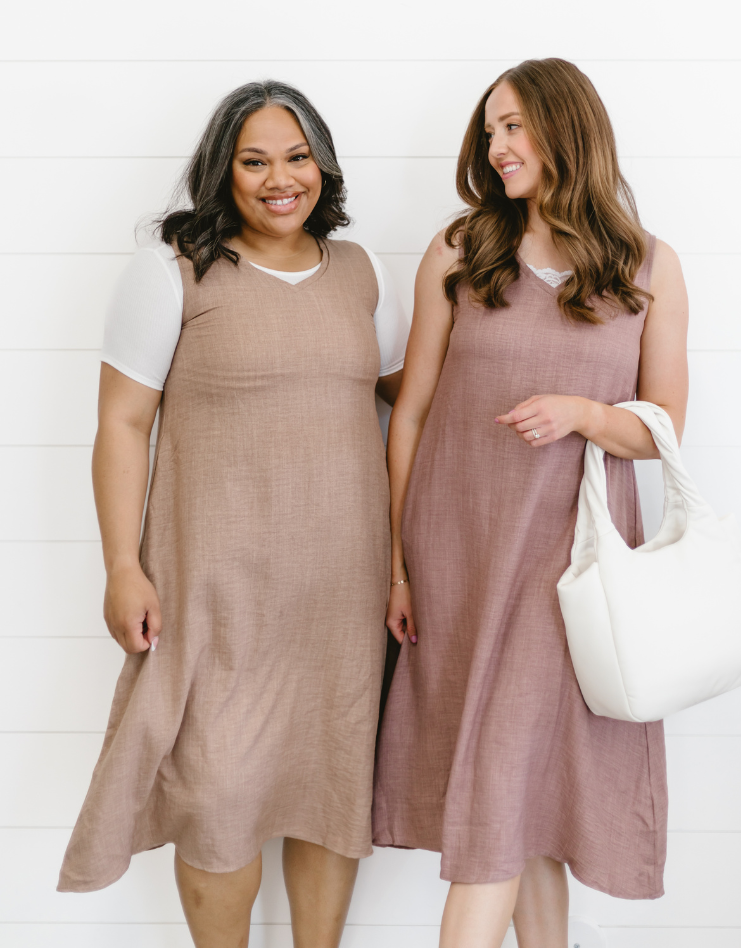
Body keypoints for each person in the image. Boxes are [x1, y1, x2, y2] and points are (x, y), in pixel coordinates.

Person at [58, 80, 408, 948]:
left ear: (323, 167)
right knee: (218, 794)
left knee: (331, 786)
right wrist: (121, 566)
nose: (278, 179)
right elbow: (122, 423)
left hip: (342, 591)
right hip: (213, 590)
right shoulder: (174, 267)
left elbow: (412, 404)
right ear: (223, 171)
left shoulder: (361, 272)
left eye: (297, 158)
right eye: (254, 161)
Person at [373, 58, 689, 948]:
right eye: (490, 130)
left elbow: (664, 427)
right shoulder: (460, 249)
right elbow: (414, 412)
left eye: (513, 126)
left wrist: (588, 414)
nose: (496, 145)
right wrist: (399, 561)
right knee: (524, 798)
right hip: (459, 552)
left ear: (565, 130)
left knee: (506, 787)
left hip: (571, 565)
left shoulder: (648, 266)